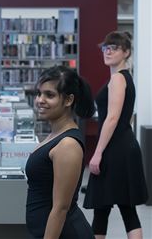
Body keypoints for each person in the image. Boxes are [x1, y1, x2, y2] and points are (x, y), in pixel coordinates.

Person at [83, 31, 148, 239]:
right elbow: (123, 118)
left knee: (103, 208)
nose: (108, 51)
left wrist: (98, 153)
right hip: (123, 146)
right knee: (124, 210)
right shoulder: (124, 78)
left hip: (114, 150)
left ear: (126, 52)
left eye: (114, 48)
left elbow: (112, 119)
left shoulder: (118, 79)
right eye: (105, 47)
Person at [25, 66, 95, 239]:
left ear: (68, 100)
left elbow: (61, 208)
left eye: (49, 95)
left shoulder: (68, 144)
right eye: (39, 93)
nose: (40, 100)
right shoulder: (55, 134)